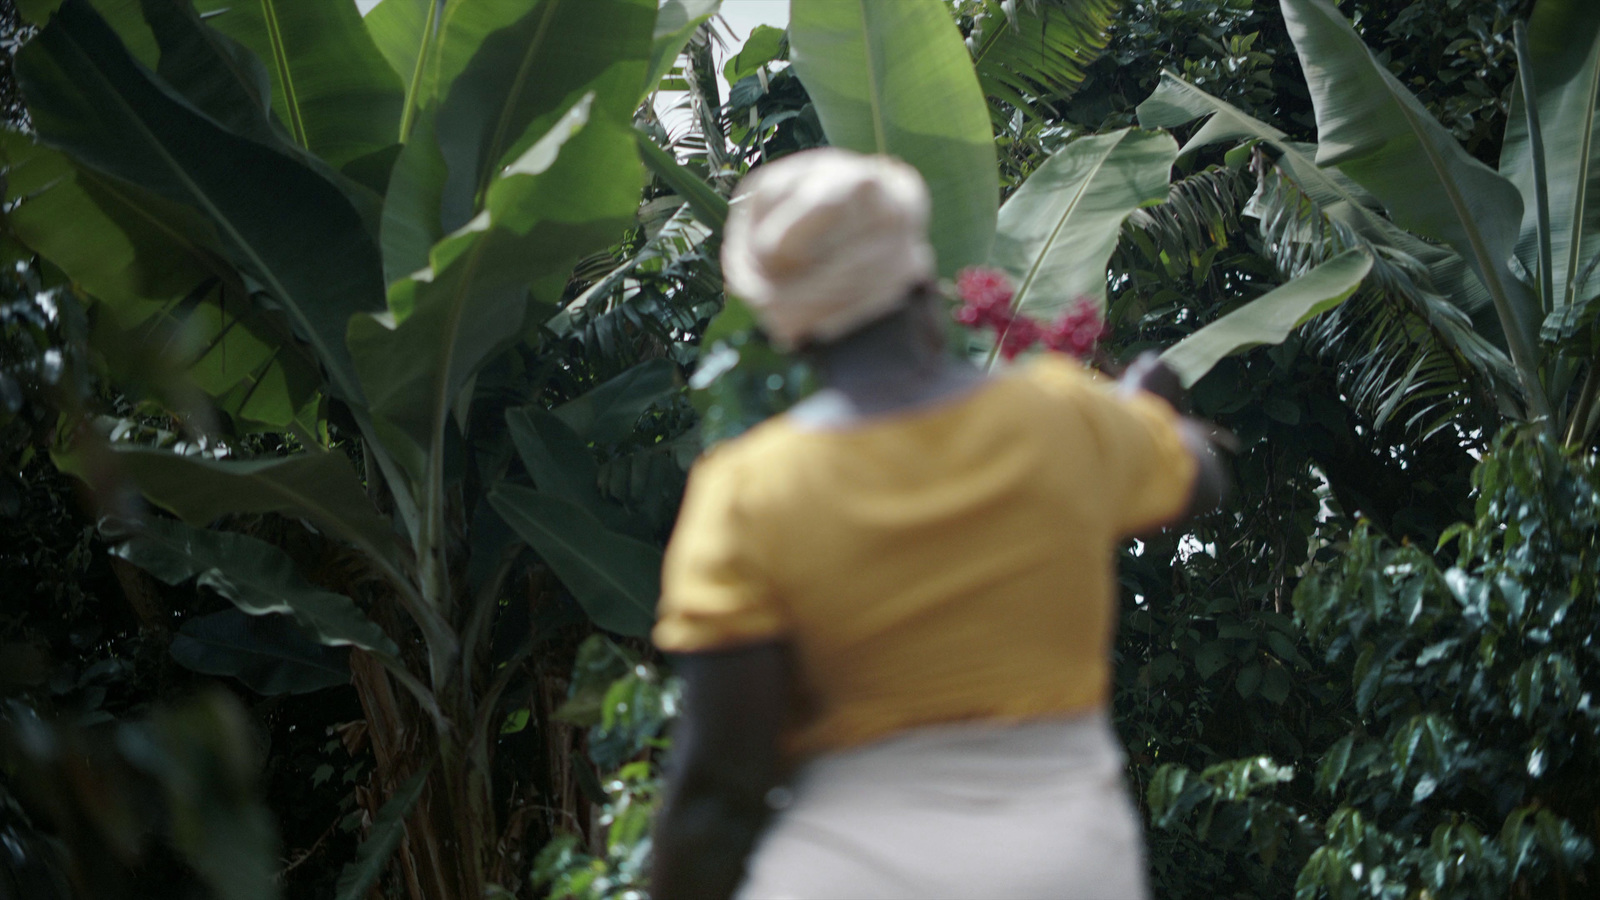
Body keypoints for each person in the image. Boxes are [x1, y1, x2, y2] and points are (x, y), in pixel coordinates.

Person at [650, 148, 1228, 900]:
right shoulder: (1061, 418)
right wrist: (1152, 413)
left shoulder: (747, 491)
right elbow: (1203, 480)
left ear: (786, 323)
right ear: (921, 279)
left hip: (841, 875)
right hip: (1065, 867)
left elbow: (721, 785)